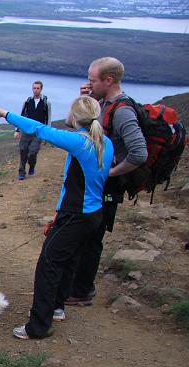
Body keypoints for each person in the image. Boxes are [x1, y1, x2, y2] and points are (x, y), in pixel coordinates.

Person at [0, 96, 113, 339]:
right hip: (92, 215)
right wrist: (59, 213)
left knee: (48, 265)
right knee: (68, 260)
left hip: (76, 215)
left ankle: (38, 326)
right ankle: (56, 308)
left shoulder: (79, 141)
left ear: (75, 117)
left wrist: (4, 113)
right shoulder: (104, 142)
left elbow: (39, 129)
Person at [66, 57, 147, 306]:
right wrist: (82, 99)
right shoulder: (101, 103)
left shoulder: (122, 111)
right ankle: (76, 286)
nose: (88, 83)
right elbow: (71, 123)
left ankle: (82, 291)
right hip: (95, 186)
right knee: (83, 235)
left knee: (91, 238)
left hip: (108, 188)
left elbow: (139, 153)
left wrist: (110, 173)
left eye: (92, 80)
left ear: (108, 80)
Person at [14, 80, 52, 180]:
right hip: (26, 131)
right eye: (34, 88)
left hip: (38, 132)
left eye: (37, 88)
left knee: (33, 152)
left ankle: (32, 165)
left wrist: (48, 134)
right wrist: (17, 130)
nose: (35, 90)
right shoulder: (27, 102)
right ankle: (22, 172)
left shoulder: (46, 103)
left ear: (41, 89)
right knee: (23, 151)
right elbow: (21, 116)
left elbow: (48, 119)